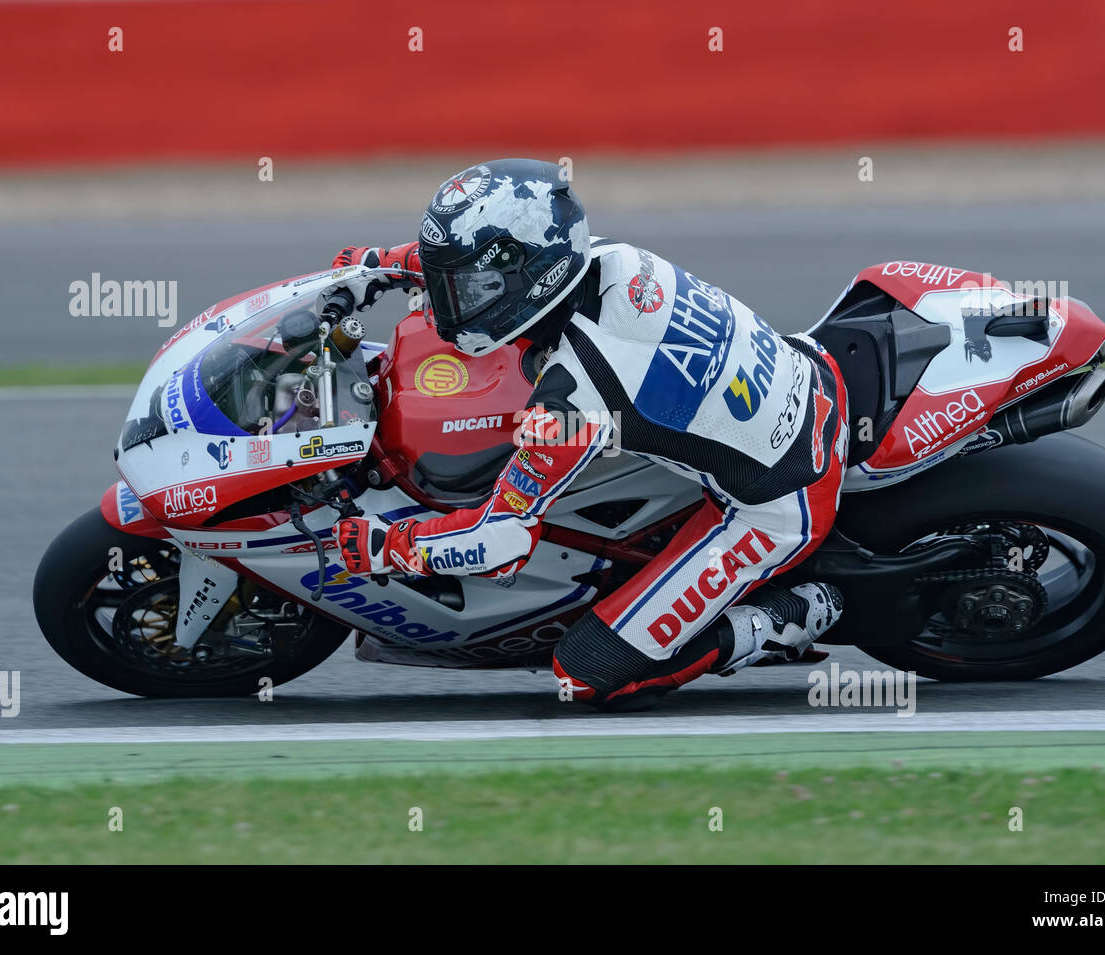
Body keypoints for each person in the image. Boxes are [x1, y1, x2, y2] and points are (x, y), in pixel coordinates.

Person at [331, 158, 848, 709]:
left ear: (535, 276)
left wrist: (388, 547)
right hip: (807, 371)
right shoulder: (602, 257)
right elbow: (486, 258)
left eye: (467, 289)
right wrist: (379, 266)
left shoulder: (577, 392)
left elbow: (500, 542)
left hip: (779, 497)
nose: (450, 304)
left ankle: (779, 621)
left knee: (585, 674)